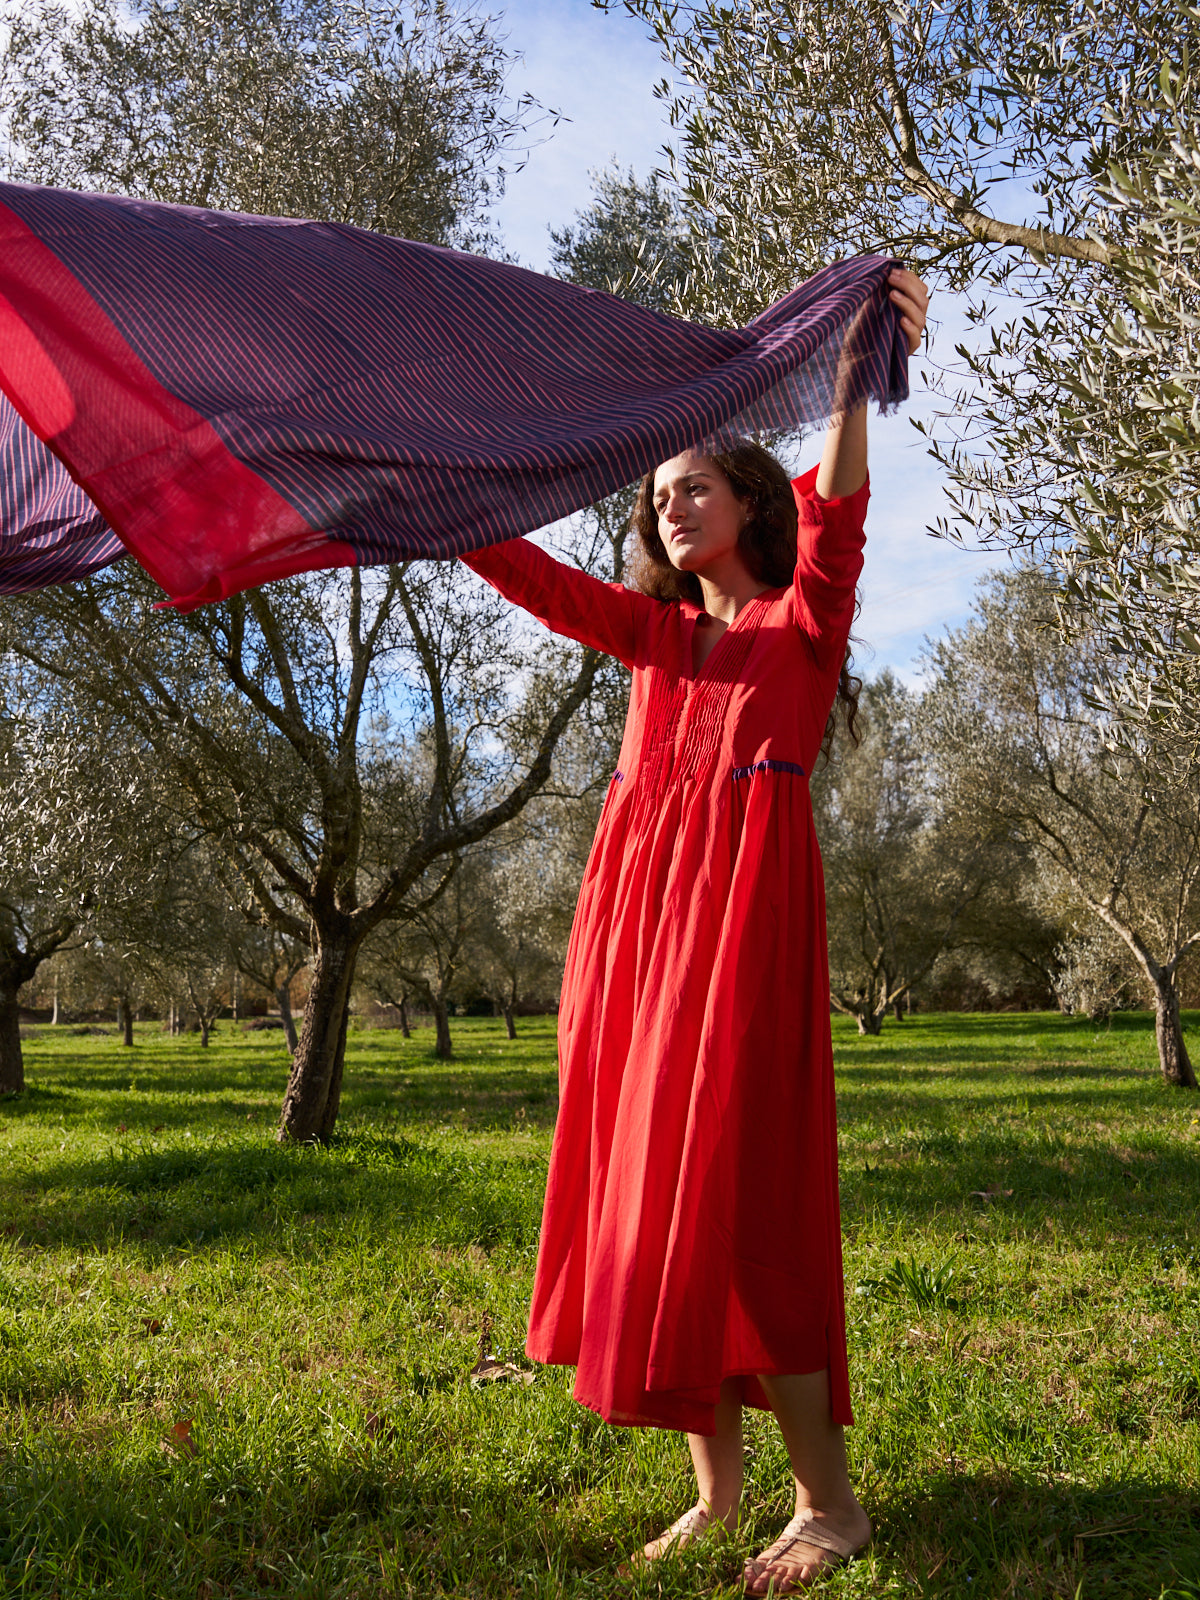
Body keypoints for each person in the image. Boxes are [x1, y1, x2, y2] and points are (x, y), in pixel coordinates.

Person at [461, 267, 929, 1593]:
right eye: (658, 498)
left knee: (750, 1194)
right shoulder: (654, 639)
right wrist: (439, 501)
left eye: (693, 491)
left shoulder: (800, 623)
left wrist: (847, 384)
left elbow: (841, 513)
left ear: (745, 506)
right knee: (657, 1194)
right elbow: (536, 585)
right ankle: (720, 1496)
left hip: (741, 927)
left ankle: (828, 1506)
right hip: (637, 938)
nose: (670, 511)